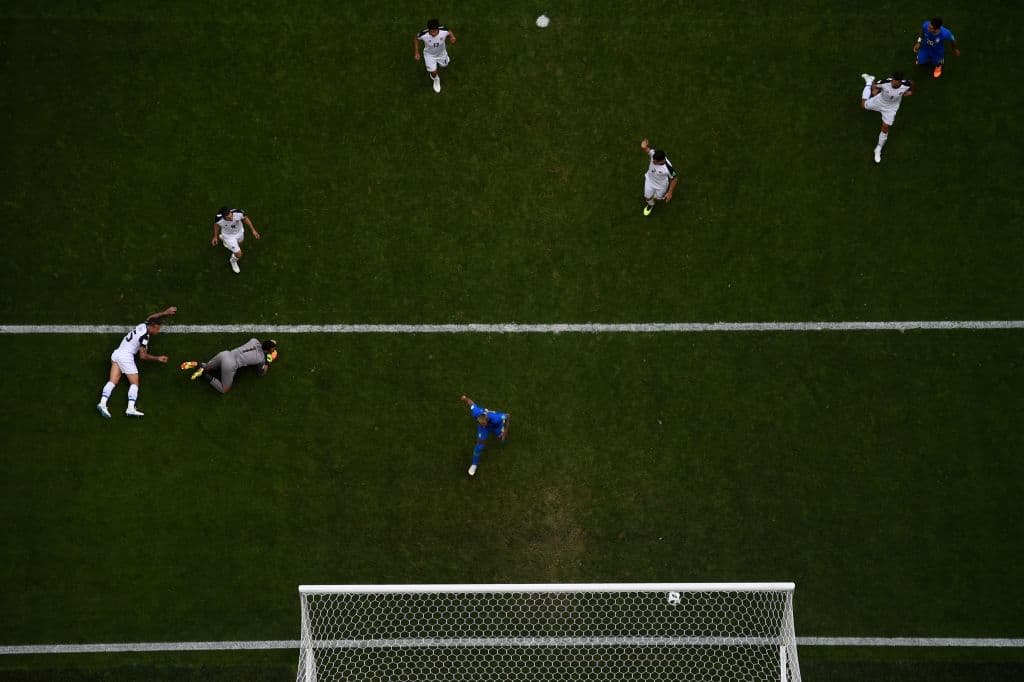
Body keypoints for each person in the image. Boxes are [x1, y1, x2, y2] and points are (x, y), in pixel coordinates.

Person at [96, 306, 177, 418]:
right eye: (157, 329)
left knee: (112, 381)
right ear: (152, 326)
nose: (158, 331)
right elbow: (143, 356)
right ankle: (130, 408)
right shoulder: (144, 337)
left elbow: (151, 317)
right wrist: (157, 358)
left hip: (117, 353)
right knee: (135, 383)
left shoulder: (143, 325)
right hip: (126, 357)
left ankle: (102, 403)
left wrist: (165, 313)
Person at [181, 338, 278, 394]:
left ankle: (198, 365)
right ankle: (204, 374)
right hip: (231, 364)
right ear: (268, 350)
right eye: (273, 349)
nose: (273, 350)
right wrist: (268, 361)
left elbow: (266, 343)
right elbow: (261, 373)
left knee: (209, 366)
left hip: (225, 354)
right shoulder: (261, 359)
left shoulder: (254, 340)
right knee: (224, 389)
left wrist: (270, 343)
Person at [859, 71, 914, 164]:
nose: (894, 82)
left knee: (885, 127)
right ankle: (868, 80)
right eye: (893, 80)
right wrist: (874, 89)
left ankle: (878, 148)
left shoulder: (906, 84)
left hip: (891, 109)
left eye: (896, 81)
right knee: (863, 105)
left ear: (900, 81)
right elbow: (875, 85)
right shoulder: (885, 82)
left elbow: (912, 84)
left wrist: (910, 92)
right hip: (879, 101)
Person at [460, 395, 510, 476]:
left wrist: (505, 433)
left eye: (483, 423)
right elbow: (471, 403)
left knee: (501, 437)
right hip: (485, 429)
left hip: (496, 426)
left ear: (487, 419)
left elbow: (508, 415)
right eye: (480, 423)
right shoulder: (476, 413)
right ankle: (474, 464)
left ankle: (501, 432)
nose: (482, 425)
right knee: (479, 446)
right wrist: (465, 398)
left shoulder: (496, 418)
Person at [211, 207, 260, 274]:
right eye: (228, 218)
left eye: (231, 215)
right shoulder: (218, 219)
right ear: (223, 217)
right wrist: (215, 236)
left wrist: (253, 230)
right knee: (239, 253)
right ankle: (233, 261)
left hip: (239, 232)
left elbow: (245, 218)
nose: (231, 218)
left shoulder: (238, 212)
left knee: (240, 243)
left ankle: (225, 241)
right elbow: (216, 225)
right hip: (228, 236)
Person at [414, 19, 456, 93]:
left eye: (435, 31)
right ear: (428, 29)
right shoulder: (423, 34)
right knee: (433, 71)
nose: (433, 33)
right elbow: (416, 39)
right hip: (429, 55)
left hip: (441, 53)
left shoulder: (443, 30)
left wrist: (452, 37)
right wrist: (417, 52)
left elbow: (449, 32)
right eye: (431, 31)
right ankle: (436, 79)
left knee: (444, 65)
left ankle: (446, 59)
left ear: (438, 28)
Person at [639, 139, 678, 217]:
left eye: (655, 161)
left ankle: (657, 197)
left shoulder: (668, 168)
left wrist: (670, 192)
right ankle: (651, 205)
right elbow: (647, 150)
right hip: (649, 181)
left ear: (662, 160)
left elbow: (674, 179)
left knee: (658, 198)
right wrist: (643, 147)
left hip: (661, 185)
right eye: (653, 159)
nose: (653, 161)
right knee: (647, 196)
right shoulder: (654, 154)